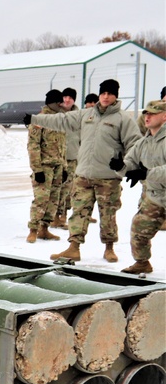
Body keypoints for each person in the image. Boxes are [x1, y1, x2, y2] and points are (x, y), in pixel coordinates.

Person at [25, 79, 142, 263]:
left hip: (108, 178)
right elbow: (60, 120)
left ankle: (109, 248)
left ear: (115, 96)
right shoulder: (86, 115)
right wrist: (34, 119)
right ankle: (74, 247)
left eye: (110, 93)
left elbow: (135, 144)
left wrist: (125, 164)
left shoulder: (123, 119)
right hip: (83, 175)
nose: (105, 96)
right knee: (78, 213)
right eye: (103, 93)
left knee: (108, 215)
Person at [119, 100, 166, 274]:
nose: (148, 117)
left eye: (153, 113)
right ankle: (142, 263)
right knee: (139, 228)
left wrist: (146, 173)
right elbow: (130, 162)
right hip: (155, 196)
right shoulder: (144, 142)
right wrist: (120, 166)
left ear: (164, 116)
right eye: (146, 113)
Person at [25, 89, 66, 243]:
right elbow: (33, 146)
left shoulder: (60, 120)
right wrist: (37, 169)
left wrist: (65, 167)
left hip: (58, 166)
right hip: (44, 167)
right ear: (53, 103)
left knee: (54, 199)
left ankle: (44, 229)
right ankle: (33, 230)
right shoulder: (39, 120)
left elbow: (63, 145)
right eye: (59, 102)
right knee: (41, 199)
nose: (62, 105)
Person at [51, 87, 79, 229]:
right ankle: (54, 217)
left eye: (70, 97)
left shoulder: (79, 115)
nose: (67, 100)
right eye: (65, 97)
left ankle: (63, 217)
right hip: (57, 158)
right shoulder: (56, 113)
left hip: (73, 157)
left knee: (69, 189)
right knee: (57, 189)